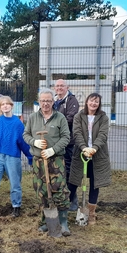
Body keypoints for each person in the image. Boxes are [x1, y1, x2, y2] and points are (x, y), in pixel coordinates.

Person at [23, 88, 71, 236]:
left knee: (60, 190)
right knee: (42, 190)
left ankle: (63, 222)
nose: (45, 103)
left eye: (48, 101)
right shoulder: (32, 117)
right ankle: (46, 221)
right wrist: (35, 143)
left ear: (53, 101)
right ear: (39, 101)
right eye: (43, 100)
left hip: (56, 160)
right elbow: (25, 134)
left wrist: (53, 150)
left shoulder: (60, 118)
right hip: (38, 161)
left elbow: (66, 137)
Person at [69, 92, 112, 225]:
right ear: (87, 102)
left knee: (95, 183)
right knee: (73, 181)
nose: (94, 103)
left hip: (97, 155)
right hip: (80, 154)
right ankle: (67, 208)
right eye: (92, 101)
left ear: (99, 104)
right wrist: (84, 148)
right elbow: (76, 133)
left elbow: (103, 135)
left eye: (96, 102)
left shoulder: (103, 118)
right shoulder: (78, 116)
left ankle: (91, 213)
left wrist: (94, 148)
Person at [53, 79, 80, 211]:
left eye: (62, 86)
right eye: (57, 86)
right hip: (55, 143)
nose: (59, 88)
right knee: (58, 171)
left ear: (67, 87)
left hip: (69, 143)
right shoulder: (54, 101)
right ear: (54, 88)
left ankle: (72, 199)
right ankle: (60, 197)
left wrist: (55, 127)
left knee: (69, 171)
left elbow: (70, 118)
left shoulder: (71, 101)